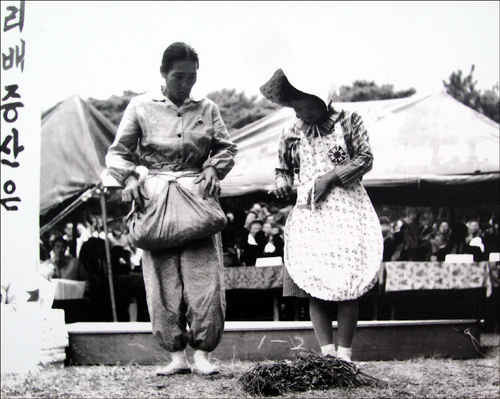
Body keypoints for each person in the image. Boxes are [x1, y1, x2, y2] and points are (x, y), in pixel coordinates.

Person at [105, 42, 237, 376]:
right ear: (163, 73)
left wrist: (212, 167)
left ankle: (203, 354)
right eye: (179, 76)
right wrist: (129, 178)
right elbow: (118, 152)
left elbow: (226, 148)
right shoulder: (140, 106)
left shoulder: (207, 107)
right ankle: (176, 355)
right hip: (155, 198)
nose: (185, 84)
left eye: (191, 77)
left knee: (205, 278)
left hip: (197, 198)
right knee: (162, 280)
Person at [261, 69, 383, 363]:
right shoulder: (291, 130)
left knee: (347, 282)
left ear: (324, 101)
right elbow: (283, 169)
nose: (305, 113)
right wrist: (281, 186)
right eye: (299, 108)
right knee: (316, 282)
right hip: (311, 212)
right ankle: (326, 354)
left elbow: (365, 158)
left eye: (310, 107)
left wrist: (331, 177)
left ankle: (345, 354)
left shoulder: (349, 121)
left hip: (346, 207)